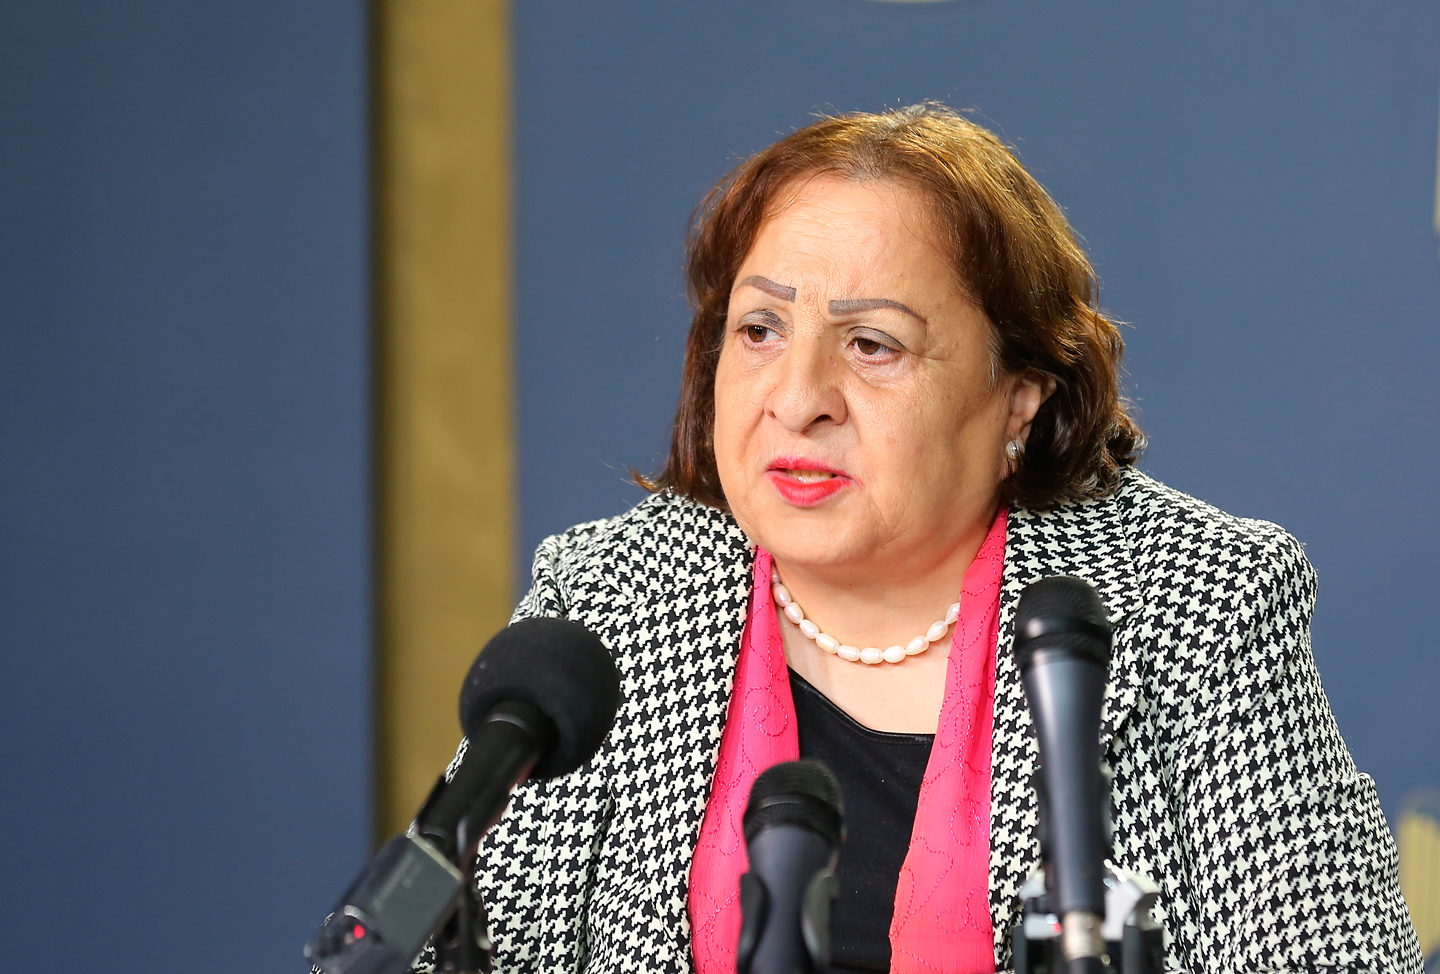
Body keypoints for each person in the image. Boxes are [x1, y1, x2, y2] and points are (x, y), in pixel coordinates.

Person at [434, 104, 1421, 974]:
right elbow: (451, 939)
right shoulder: (611, 599)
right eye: (760, 330)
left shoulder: (1194, 606)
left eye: (873, 344)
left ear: (1018, 398)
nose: (798, 399)